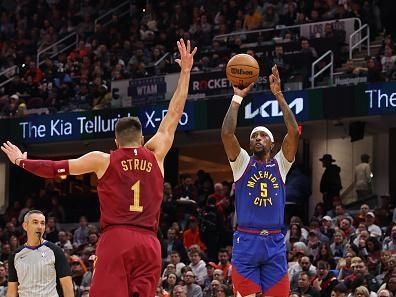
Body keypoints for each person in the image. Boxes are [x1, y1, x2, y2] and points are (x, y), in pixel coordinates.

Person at [1, 38, 197, 297]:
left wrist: (21, 161)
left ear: (116, 141)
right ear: (141, 138)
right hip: (150, 243)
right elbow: (174, 113)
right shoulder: (156, 153)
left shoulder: (103, 159)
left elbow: (56, 168)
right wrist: (185, 72)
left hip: (117, 239)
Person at [221, 65, 299, 297]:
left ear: (272, 144)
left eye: (263, 135)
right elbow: (227, 134)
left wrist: (279, 96)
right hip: (246, 241)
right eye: (254, 135)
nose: (257, 138)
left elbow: (293, 132)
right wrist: (237, 97)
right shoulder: (242, 163)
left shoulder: (281, 164)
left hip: (274, 242)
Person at [6, 210, 74, 297]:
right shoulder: (15, 255)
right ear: (25, 226)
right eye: (35, 222)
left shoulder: (55, 251)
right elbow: (12, 291)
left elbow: (67, 286)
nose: (39, 227)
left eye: (42, 223)